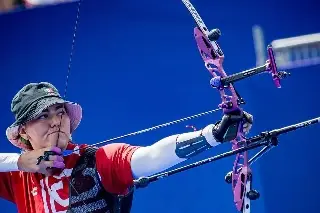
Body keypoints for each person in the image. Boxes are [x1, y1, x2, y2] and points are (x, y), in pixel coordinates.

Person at [0, 82, 253, 213]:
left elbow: (151, 157)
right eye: (43, 115)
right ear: (23, 131)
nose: (56, 121)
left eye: (60, 112)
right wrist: (21, 162)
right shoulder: (17, 177)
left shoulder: (98, 160)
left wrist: (212, 134)